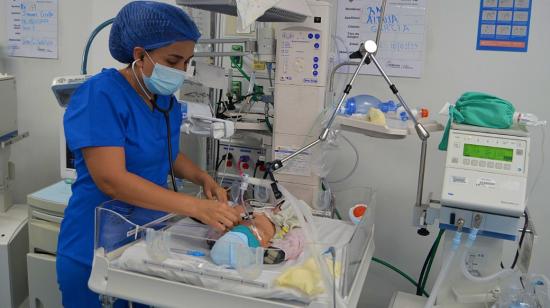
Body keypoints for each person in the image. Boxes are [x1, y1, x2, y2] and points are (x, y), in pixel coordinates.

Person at [56, 2, 241, 307]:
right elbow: (112, 180)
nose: (181, 71)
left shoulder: (162, 99)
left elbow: (163, 151)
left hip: (145, 246)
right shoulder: (99, 96)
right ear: (140, 55)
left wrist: (200, 176)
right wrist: (193, 206)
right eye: (173, 60)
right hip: (94, 250)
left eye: (187, 62)